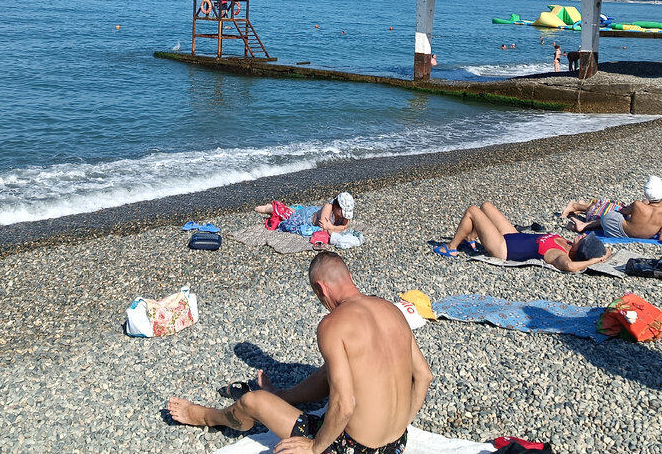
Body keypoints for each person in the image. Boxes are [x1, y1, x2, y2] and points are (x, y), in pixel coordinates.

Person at [168, 251, 432, 454]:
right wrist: (399, 427)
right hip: (397, 444)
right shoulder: (393, 311)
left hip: (354, 448)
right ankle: (282, 397)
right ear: (349, 277)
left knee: (253, 402)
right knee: (336, 368)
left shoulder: (332, 325)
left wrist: (316, 447)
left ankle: (206, 416)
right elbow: (424, 377)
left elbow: (344, 405)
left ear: (321, 288)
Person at [438, 201, 610, 272]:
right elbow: (604, 250)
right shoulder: (567, 243)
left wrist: (593, 261)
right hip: (513, 236)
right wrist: (603, 256)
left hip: (504, 248)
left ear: (579, 250)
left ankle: (451, 248)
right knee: (486, 206)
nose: (582, 236)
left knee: (472, 211)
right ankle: (470, 239)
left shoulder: (558, 254)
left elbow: (570, 266)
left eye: (584, 240)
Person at [568, 177, 662, 241]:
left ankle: (584, 224)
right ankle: (582, 221)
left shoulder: (638, 205)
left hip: (616, 229)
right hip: (636, 235)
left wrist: (632, 213)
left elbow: (622, 211)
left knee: (616, 213)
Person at [256, 192, 354, 235]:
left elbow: (344, 227)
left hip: (317, 212)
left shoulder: (343, 212)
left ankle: (286, 208)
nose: (344, 216)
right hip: (307, 217)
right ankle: (269, 208)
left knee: (293, 211)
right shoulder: (329, 207)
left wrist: (332, 227)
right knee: (287, 215)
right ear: (336, 206)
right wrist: (336, 228)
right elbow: (325, 228)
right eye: (343, 213)